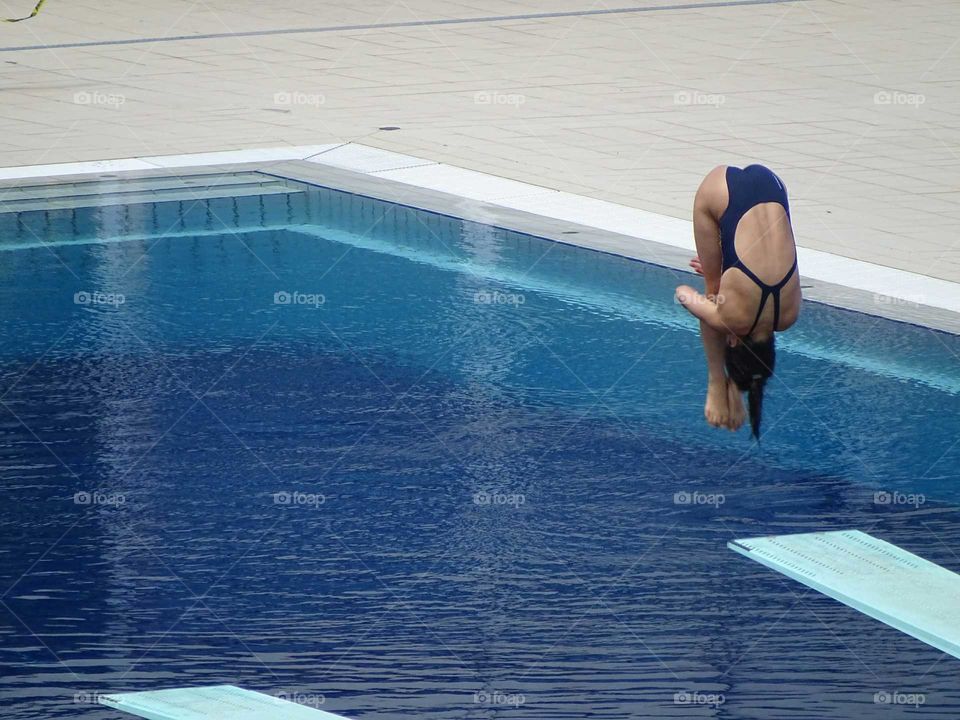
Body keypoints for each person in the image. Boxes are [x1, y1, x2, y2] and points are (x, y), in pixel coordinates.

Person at [675, 164, 801, 439]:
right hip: (720, 188)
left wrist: (722, 269)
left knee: (720, 287)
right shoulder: (732, 320)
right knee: (712, 292)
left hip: (772, 184)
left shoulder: (790, 316)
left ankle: (723, 273)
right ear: (732, 341)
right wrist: (720, 382)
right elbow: (682, 293)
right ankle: (717, 386)